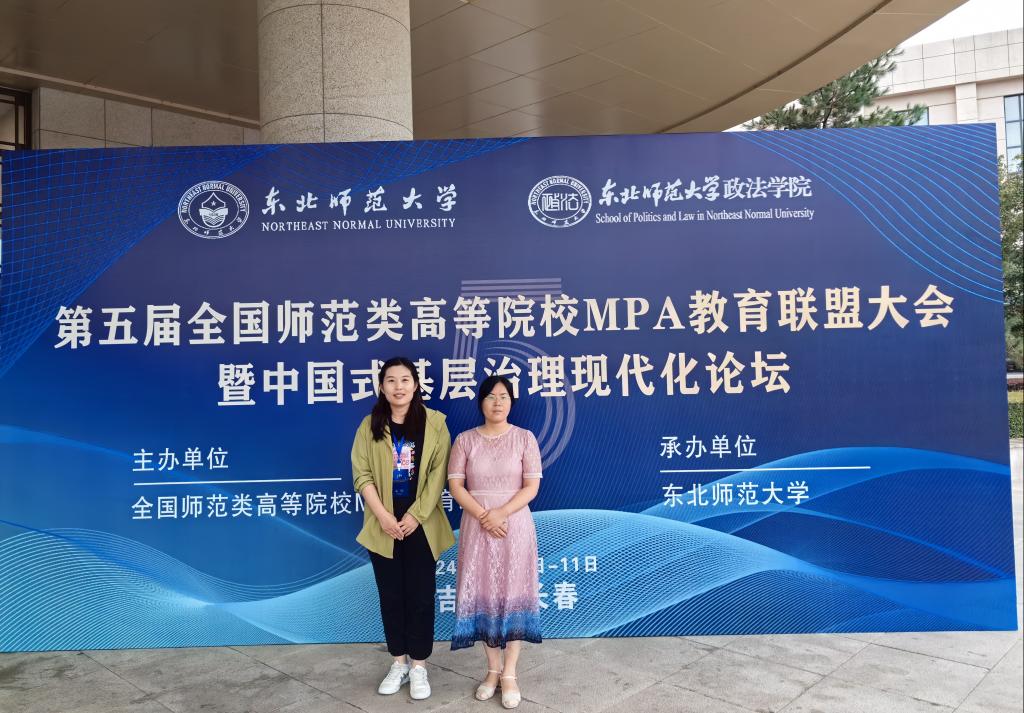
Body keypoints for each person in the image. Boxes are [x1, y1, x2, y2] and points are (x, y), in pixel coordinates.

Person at [351, 357, 455, 700]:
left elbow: (439, 474)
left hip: (421, 524)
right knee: (391, 596)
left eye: (405, 380)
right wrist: (382, 516)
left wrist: (416, 515)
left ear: (415, 384)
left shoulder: (435, 423)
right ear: (382, 387)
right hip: (383, 523)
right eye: (391, 380)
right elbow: (362, 474)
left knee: (421, 597)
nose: (399, 386)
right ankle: (399, 663)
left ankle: (420, 666)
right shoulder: (370, 425)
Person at [447, 375, 542, 709]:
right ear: (481, 402)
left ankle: (510, 673)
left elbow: (531, 487)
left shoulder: (524, 438)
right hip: (477, 526)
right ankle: (492, 670)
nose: (497, 402)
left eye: (503, 396)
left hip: (515, 525)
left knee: (514, 594)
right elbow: (456, 486)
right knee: (484, 595)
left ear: (511, 402)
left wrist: (500, 513)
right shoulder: (465, 440)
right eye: (490, 396)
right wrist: (484, 515)